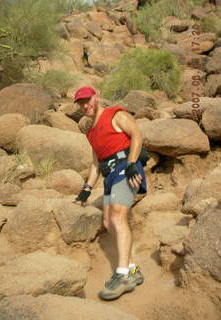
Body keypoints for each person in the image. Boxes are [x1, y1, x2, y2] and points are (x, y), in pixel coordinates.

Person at [73, 86, 147, 300]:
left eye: (87, 100)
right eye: (80, 103)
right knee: (108, 221)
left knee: (117, 215)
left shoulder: (115, 114)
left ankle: (122, 275)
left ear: (95, 97)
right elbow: (96, 163)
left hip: (126, 169)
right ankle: (132, 270)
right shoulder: (90, 131)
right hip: (110, 175)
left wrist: (133, 163)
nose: (85, 105)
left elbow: (137, 135)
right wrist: (86, 190)